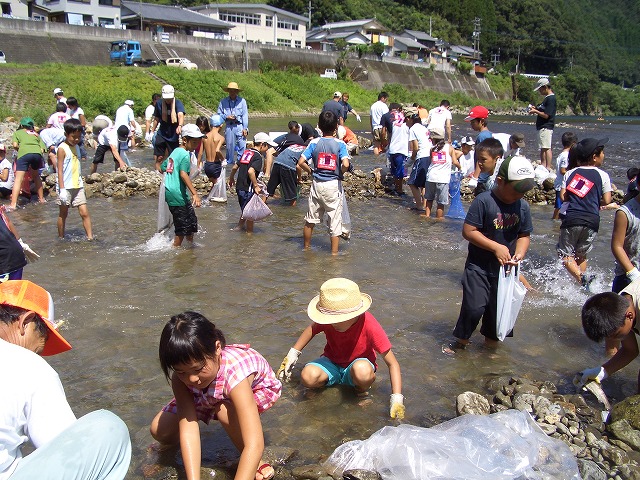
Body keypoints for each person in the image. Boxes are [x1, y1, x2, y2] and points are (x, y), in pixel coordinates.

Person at [0, 279, 131, 479]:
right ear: (26, 322)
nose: (38, 355)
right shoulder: (30, 366)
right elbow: (68, 448)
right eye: (39, 347)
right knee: (109, 428)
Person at [150, 311, 281, 480]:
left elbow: (255, 444)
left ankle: (255, 463)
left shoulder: (236, 376)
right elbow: (188, 427)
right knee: (160, 430)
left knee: (223, 409)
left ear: (217, 348)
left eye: (198, 369)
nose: (191, 379)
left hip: (253, 390)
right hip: (208, 392)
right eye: (181, 371)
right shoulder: (182, 379)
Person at [444, 156, 535, 354]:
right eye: (517, 190)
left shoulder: (523, 206)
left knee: (498, 312)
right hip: (478, 267)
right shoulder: (484, 201)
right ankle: (461, 341)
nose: (520, 195)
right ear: (501, 181)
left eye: (524, 191)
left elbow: (524, 235)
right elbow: (468, 231)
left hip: (505, 272)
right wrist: (495, 247)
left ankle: (490, 350)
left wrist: (519, 253)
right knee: (474, 308)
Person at [276, 277, 404, 418]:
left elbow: (393, 364)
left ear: (354, 315)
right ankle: (320, 387)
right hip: (332, 362)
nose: (330, 323)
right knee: (307, 376)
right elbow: (311, 330)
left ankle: (361, 391)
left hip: (357, 367)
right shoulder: (329, 319)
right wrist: (292, 355)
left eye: (335, 321)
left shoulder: (369, 325)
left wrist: (396, 399)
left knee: (362, 370)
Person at [557, 138, 612, 289]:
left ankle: (581, 279)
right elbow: (607, 200)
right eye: (603, 153)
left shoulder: (571, 173)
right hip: (592, 221)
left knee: (565, 254)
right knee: (581, 254)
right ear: (594, 157)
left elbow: (563, 197)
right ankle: (584, 286)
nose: (604, 155)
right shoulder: (603, 175)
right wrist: (594, 201)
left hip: (573, 218)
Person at [297, 111, 350, 254]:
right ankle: (333, 255)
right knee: (335, 222)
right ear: (336, 128)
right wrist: (340, 173)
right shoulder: (340, 144)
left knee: (310, 220)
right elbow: (345, 164)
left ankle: (306, 249)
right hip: (333, 185)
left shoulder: (314, 143)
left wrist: (311, 171)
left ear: (319, 126)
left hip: (317, 184)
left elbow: (301, 162)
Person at [576, 288, 639, 393]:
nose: (613, 341)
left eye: (616, 335)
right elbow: (630, 350)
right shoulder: (618, 306)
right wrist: (601, 372)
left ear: (629, 316)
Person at [160, 124, 203, 247]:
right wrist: (195, 193)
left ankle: (190, 246)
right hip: (177, 194)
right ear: (185, 140)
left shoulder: (175, 152)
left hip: (173, 193)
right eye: (194, 142)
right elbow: (183, 174)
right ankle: (176, 251)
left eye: (198, 142)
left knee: (191, 221)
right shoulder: (184, 154)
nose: (196, 145)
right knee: (182, 227)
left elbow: (163, 167)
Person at [228, 132, 276, 233]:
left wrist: (231, 178)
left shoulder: (247, 152)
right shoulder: (258, 156)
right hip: (248, 188)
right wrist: (255, 185)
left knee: (246, 208)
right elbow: (251, 171)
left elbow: (235, 167)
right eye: (267, 146)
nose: (268, 149)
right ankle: (249, 234)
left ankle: (239, 227)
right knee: (251, 212)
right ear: (262, 144)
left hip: (240, 187)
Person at [56, 119, 93, 241]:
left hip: (78, 185)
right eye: (73, 137)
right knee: (63, 213)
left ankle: (90, 238)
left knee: (84, 213)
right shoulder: (62, 148)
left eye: (78, 137)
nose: (76, 139)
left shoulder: (77, 147)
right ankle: (61, 237)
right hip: (65, 187)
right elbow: (59, 170)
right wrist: (61, 189)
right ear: (66, 134)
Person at [9, 117, 46, 210]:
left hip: (24, 154)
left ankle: (13, 205)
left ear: (21, 125)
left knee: (18, 179)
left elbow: (14, 145)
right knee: (36, 176)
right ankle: (41, 199)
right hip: (37, 154)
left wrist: (21, 150)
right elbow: (42, 149)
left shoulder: (18, 133)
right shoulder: (36, 134)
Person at [423, 128, 460, 219]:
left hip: (431, 177)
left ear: (433, 139)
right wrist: (460, 168)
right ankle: (439, 220)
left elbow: (431, 161)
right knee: (441, 203)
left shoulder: (432, 149)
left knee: (429, 199)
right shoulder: (449, 148)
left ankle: (427, 216)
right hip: (442, 179)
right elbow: (455, 162)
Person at [266, 133, 305, 206]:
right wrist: (299, 179)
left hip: (277, 162)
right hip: (288, 167)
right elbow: (298, 166)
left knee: (270, 188)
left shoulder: (294, 146)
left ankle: (262, 203)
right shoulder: (306, 151)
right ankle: (293, 213)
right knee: (293, 195)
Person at [153, 85, 186, 167]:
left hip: (173, 134)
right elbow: (156, 118)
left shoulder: (177, 103)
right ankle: (157, 172)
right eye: (166, 98)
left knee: (172, 156)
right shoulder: (159, 103)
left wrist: (180, 126)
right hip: (162, 132)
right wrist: (151, 131)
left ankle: (170, 171)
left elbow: (180, 115)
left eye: (169, 98)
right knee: (159, 155)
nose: (168, 100)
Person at [218, 82, 249, 166]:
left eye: (234, 91)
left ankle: (241, 162)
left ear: (237, 92)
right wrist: (226, 116)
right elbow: (219, 114)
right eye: (231, 91)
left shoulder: (242, 101)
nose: (232, 92)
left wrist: (245, 128)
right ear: (228, 91)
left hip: (240, 125)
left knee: (242, 145)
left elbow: (245, 115)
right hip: (229, 126)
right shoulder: (223, 102)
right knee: (229, 146)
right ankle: (229, 163)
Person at [529, 78, 556, 171]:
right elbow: (542, 109)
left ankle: (547, 167)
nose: (539, 92)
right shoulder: (547, 99)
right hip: (542, 127)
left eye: (540, 89)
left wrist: (535, 111)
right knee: (542, 147)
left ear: (545, 87)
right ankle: (543, 165)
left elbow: (546, 115)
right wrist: (536, 108)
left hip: (546, 126)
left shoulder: (551, 99)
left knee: (546, 147)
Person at [381, 103, 408, 196]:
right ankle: (399, 190)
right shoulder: (407, 127)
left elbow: (385, 133)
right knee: (400, 172)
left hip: (392, 150)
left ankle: (395, 187)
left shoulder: (394, 125)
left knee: (394, 170)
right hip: (401, 151)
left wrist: (384, 142)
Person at [406, 113, 431, 212]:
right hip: (429, 156)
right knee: (423, 183)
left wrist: (410, 160)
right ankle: (425, 205)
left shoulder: (413, 129)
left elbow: (415, 148)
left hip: (422, 156)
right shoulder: (424, 128)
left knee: (412, 183)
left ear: (411, 120)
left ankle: (419, 206)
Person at [196, 115, 225, 197]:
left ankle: (211, 197)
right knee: (218, 184)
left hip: (207, 166)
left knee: (214, 183)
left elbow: (200, 153)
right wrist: (223, 160)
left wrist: (198, 166)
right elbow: (217, 150)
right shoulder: (221, 137)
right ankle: (213, 201)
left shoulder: (204, 137)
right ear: (221, 125)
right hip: (215, 165)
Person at [465, 106, 492, 189]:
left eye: (473, 122)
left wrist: (475, 177)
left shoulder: (482, 137)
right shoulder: (488, 134)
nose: (471, 124)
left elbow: (481, 158)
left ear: (482, 121)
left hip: (483, 178)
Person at [553, 132, 578, 220]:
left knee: (560, 205)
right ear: (574, 143)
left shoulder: (562, 154)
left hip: (560, 183)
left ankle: (555, 221)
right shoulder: (566, 155)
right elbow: (563, 170)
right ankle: (555, 221)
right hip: (561, 185)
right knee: (559, 206)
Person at [0, 207, 28, 282]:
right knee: (14, 291)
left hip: (5, 260)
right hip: (16, 254)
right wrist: (20, 242)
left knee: (6, 292)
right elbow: (7, 221)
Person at [65, 97, 88, 161]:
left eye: (69, 105)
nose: (68, 106)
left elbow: (83, 123)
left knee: (80, 143)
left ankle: (83, 157)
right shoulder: (72, 111)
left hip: (79, 130)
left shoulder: (79, 111)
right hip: (73, 130)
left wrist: (76, 126)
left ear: (73, 104)